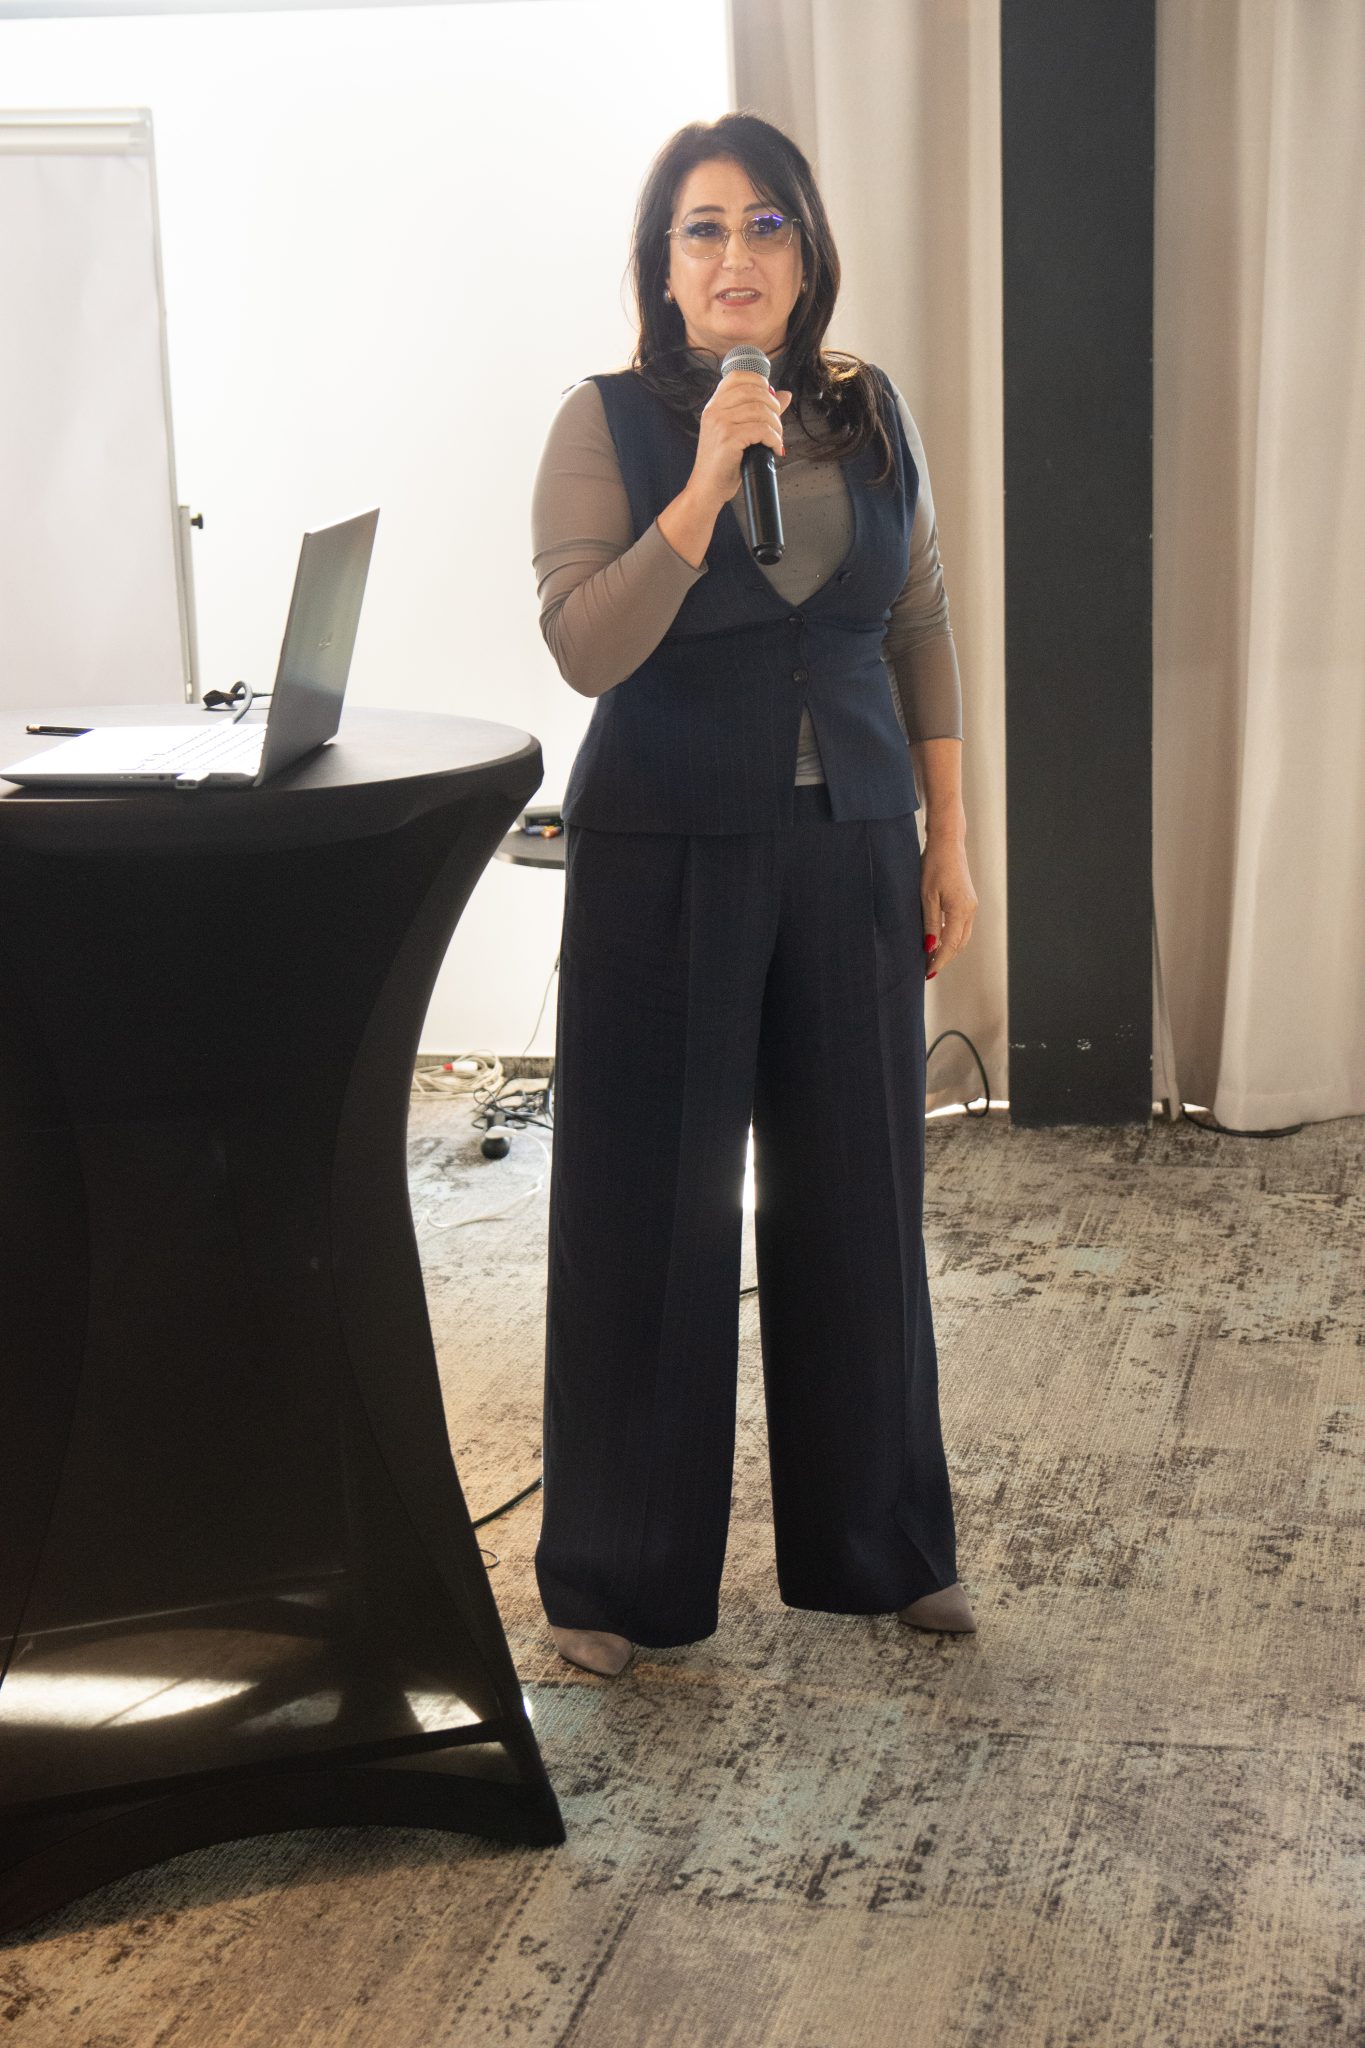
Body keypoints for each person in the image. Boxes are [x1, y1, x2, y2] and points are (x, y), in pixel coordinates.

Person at [530, 113, 979, 1679]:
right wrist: (707, 480)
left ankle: (886, 1545)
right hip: (664, 849)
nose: (736, 255)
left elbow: (916, 621)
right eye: (703, 228)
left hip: (850, 839)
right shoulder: (604, 424)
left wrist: (946, 834)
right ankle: (614, 1579)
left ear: (806, 252)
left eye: (765, 224)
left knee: (860, 1196)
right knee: (645, 1208)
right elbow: (585, 646)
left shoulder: (866, 409)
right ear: (663, 269)